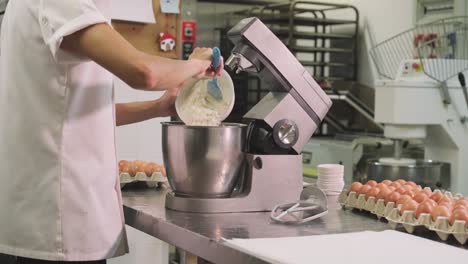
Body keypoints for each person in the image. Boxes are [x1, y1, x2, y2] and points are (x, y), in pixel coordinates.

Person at [0, 0, 222, 263]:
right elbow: (144, 73)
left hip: (48, 218)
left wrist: (157, 107)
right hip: (58, 222)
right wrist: (194, 64)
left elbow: (73, 112)